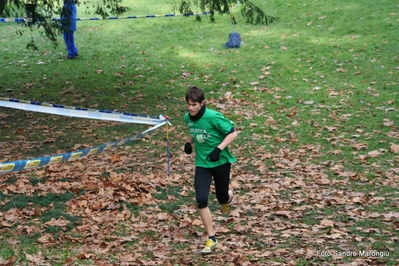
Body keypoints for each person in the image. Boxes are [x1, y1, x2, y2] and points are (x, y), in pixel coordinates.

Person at [183, 86, 238, 254]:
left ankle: (228, 197)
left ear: (202, 103)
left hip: (220, 162)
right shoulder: (188, 117)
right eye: (188, 104)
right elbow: (194, 131)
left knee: (221, 198)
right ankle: (212, 238)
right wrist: (188, 143)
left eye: (194, 105)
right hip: (202, 164)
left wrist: (219, 149)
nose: (191, 108)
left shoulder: (213, 116)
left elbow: (233, 133)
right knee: (201, 199)